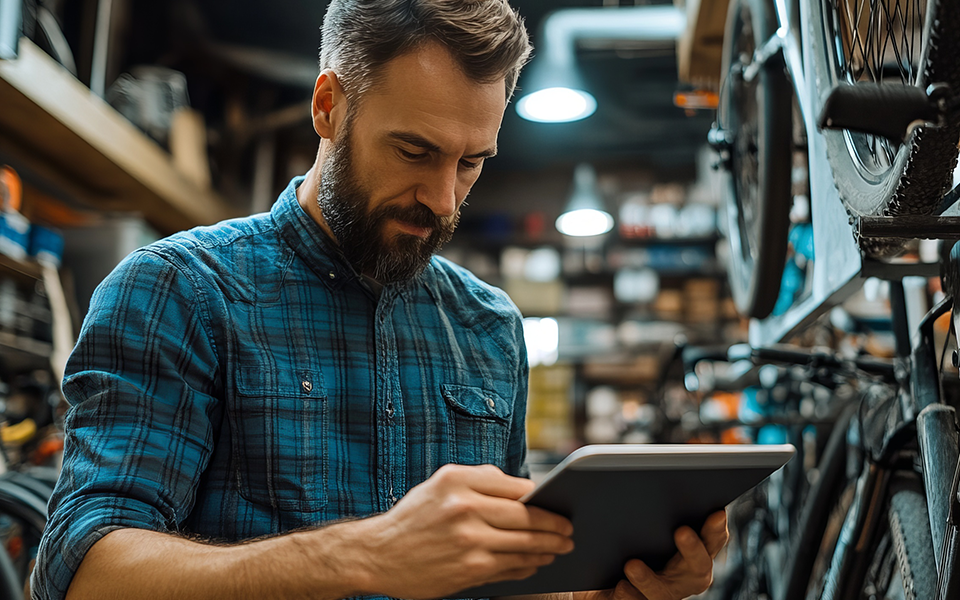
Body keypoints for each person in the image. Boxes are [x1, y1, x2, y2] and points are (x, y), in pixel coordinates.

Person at [32, 1, 728, 599]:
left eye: (471, 162)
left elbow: (504, 578)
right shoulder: (180, 291)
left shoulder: (488, 329)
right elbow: (81, 573)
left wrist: (613, 586)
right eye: (414, 151)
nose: (443, 197)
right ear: (329, 106)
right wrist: (363, 553)